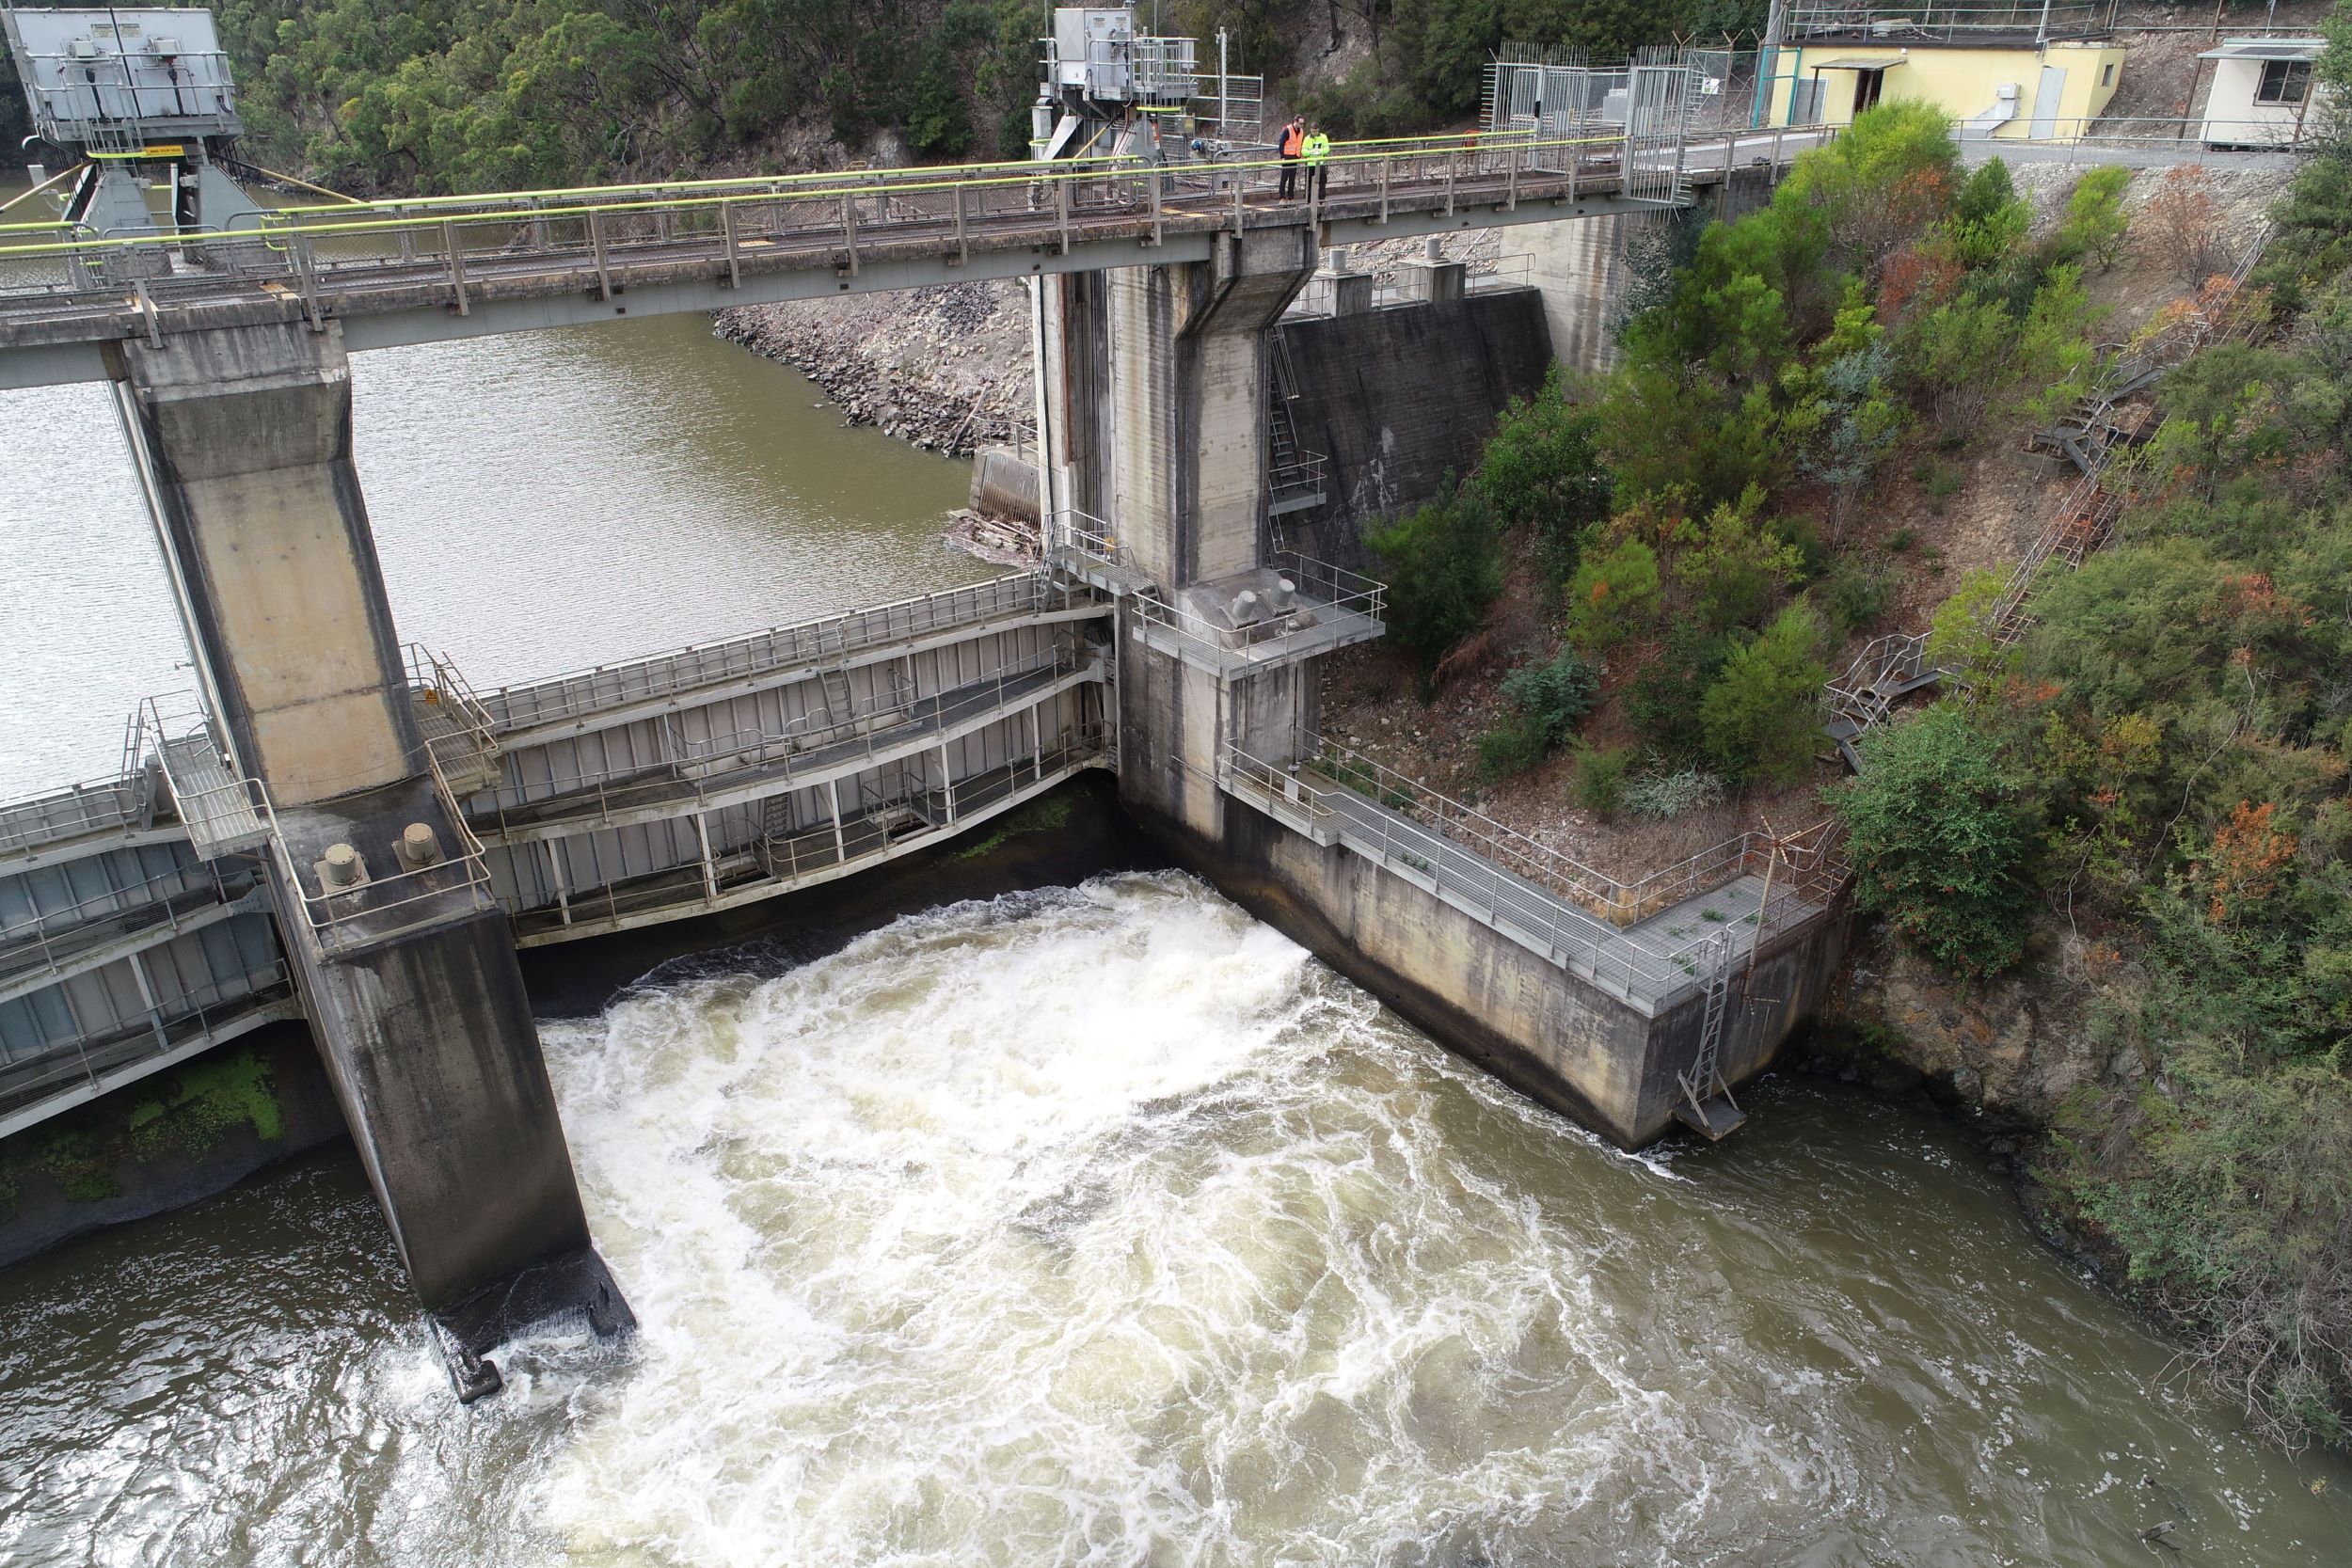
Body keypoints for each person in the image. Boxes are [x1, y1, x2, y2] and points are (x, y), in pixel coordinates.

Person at [1277, 116, 1305, 200]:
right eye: (1300, 123)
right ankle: (1282, 196)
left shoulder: (1301, 131)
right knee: (1284, 177)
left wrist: (1299, 155)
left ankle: (1290, 196)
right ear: (1295, 121)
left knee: (1292, 178)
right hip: (1287, 157)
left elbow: (1299, 144)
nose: (1302, 125)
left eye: (1303, 123)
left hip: (1295, 157)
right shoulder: (1287, 130)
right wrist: (1282, 156)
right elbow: (1281, 143)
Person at [1302, 124, 1331, 204]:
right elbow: (1303, 150)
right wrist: (1310, 152)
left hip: (1320, 163)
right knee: (1308, 183)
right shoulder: (1307, 139)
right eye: (1313, 131)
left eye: (1316, 131)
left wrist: (1320, 152)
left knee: (1322, 182)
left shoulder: (1323, 137)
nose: (1314, 133)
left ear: (1318, 130)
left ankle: (1321, 200)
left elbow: (1327, 148)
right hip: (1310, 164)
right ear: (1311, 130)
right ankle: (1309, 200)